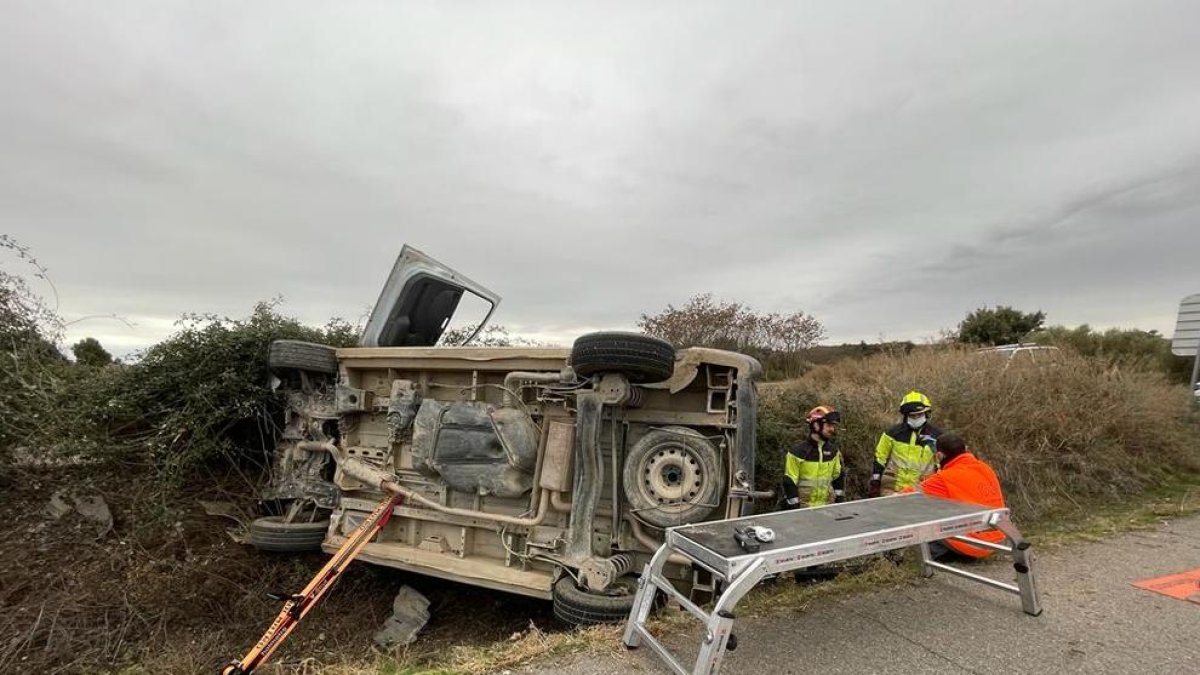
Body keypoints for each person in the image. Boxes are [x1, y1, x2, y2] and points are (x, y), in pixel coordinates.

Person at [915, 433, 1007, 560]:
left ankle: (940, 553)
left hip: (972, 544)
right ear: (965, 449)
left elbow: (908, 495)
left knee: (923, 510)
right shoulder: (985, 468)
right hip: (997, 539)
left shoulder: (944, 478)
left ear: (940, 455)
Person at [868, 391, 941, 498]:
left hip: (922, 490)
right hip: (892, 489)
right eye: (912, 416)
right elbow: (880, 457)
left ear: (927, 414)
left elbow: (942, 464)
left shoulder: (936, 437)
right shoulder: (892, 433)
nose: (916, 418)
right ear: (906, 416)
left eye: (919, 415)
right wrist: (875, 480)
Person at [782, 405, 846, 509]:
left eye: (833, 426)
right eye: (829, 425)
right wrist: (794, 510)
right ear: (816, 425)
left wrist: (839, 503)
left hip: (827, 509)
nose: (832, 429)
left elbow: (838, 478)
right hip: (803, 510)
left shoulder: (834, 452)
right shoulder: (797, 452)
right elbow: (789, 482)